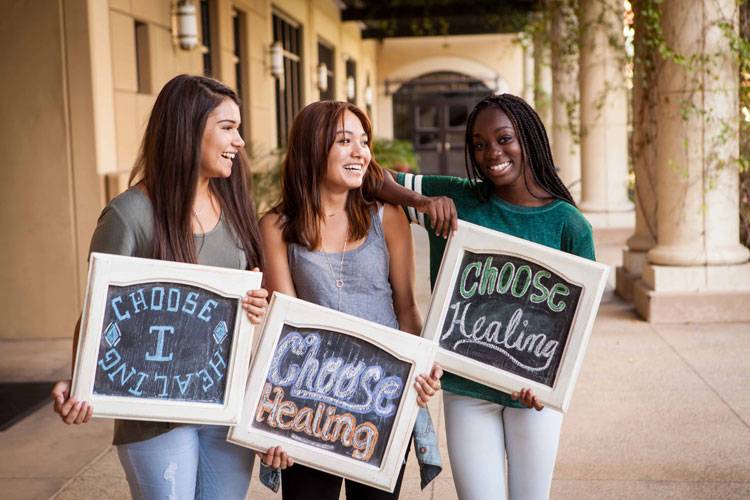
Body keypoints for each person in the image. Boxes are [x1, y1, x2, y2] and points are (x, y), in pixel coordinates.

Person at [50, 74, 291, 499]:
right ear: (187, 128)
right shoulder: (129, 215)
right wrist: (81, 382)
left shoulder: (235, 207)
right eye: (228, 128)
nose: (240, 142)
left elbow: (254, 300)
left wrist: (255, 304)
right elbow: (98, 310)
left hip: (224, 409)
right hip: (153, 413)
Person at [379, 93, 596, 500]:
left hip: (531, 396)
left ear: (529, 139)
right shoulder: (457, 198)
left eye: (503, 139)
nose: (491, 153)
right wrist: (421, 202)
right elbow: (372, 178)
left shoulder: (569, 225)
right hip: (468, 388)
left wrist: (551, 382)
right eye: (479, 144)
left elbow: (580, 323)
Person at [259, 100, 443, 500]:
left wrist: (423, 369)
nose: (360, 151)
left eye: (364, 141)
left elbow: (406, 308)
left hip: (380, 399)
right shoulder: (276, 227)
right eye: (345, 141)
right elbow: (284, 329)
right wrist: (272, 419)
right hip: (311, 404)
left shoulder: (386, 216)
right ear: (312, 148)